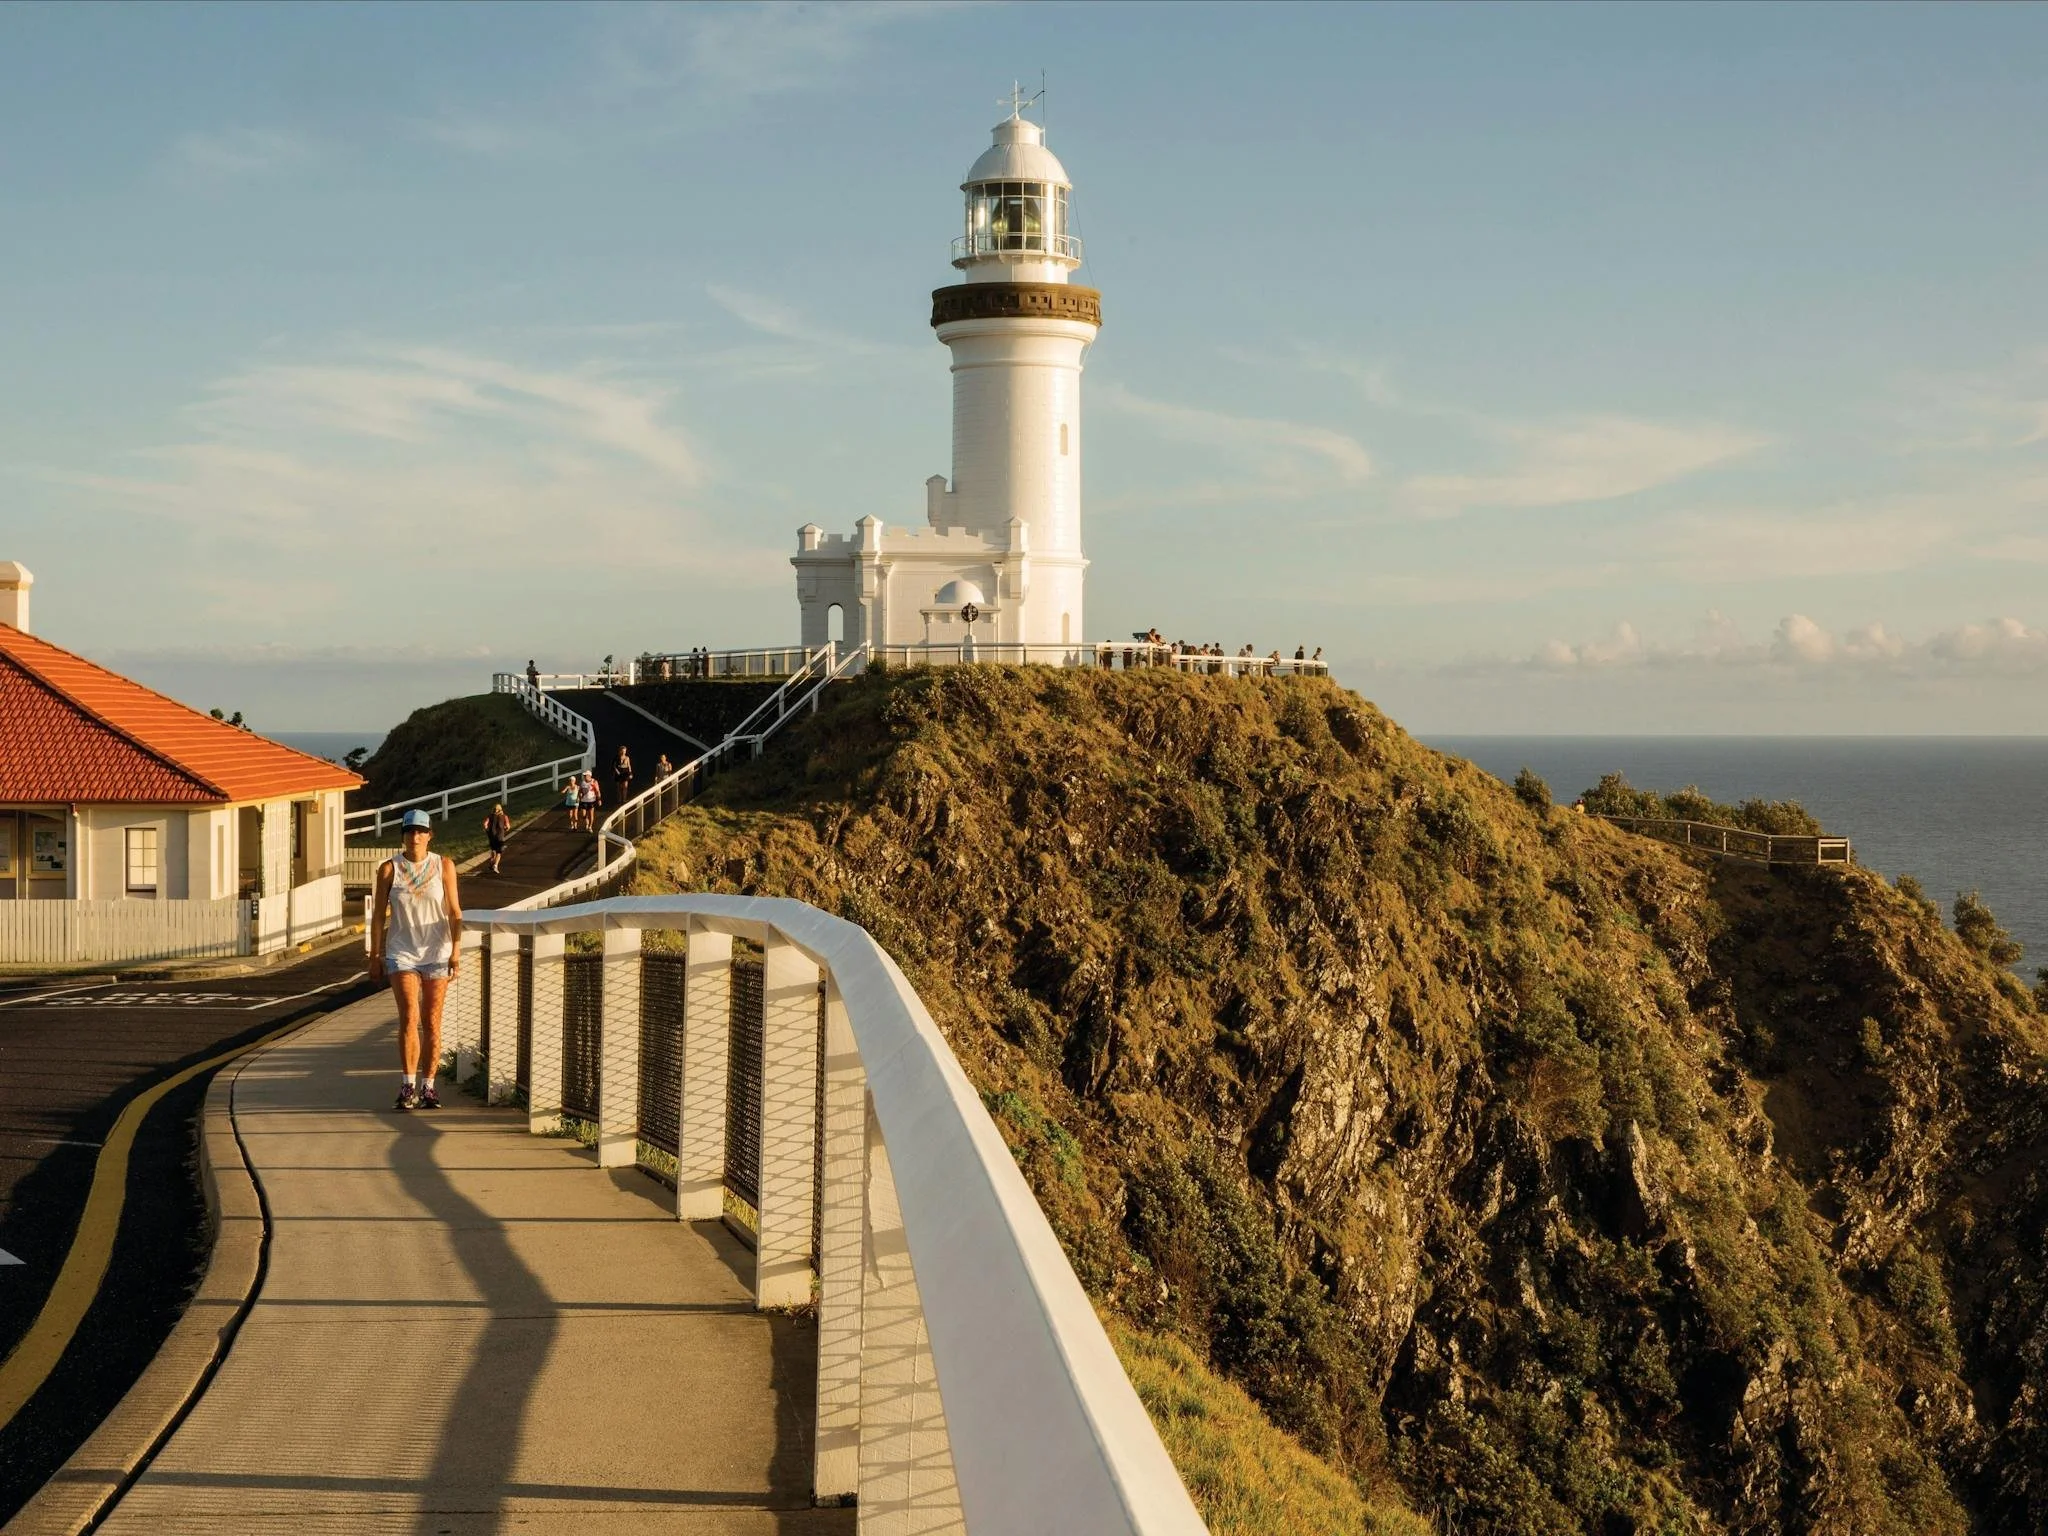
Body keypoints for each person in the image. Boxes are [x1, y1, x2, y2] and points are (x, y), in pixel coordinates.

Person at [370, 810, 462, 1111]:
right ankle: (408, 1085)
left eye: (421, 831)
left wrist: (456, 950)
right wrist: (375, 956)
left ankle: (429, 1088)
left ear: (430, 835)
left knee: (432, 1021)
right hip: (402, 952)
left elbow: (455, 912)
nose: (415, 837)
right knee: (409, 1016)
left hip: (437, 952)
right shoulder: (389, 869)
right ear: (403, 835)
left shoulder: (443, 865)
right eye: (410, 831)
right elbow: (377, 918)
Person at [482, 801, 511, 875]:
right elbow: (508, 827)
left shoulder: (490, 816)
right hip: (500, 836)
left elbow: (485, 824)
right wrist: (505, 828)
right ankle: (495, 865)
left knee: (493, 849)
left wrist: (486, 829)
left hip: (491, 835)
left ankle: (491, 862)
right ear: (500, 809)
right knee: (499, 852)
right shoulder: (505, 816)